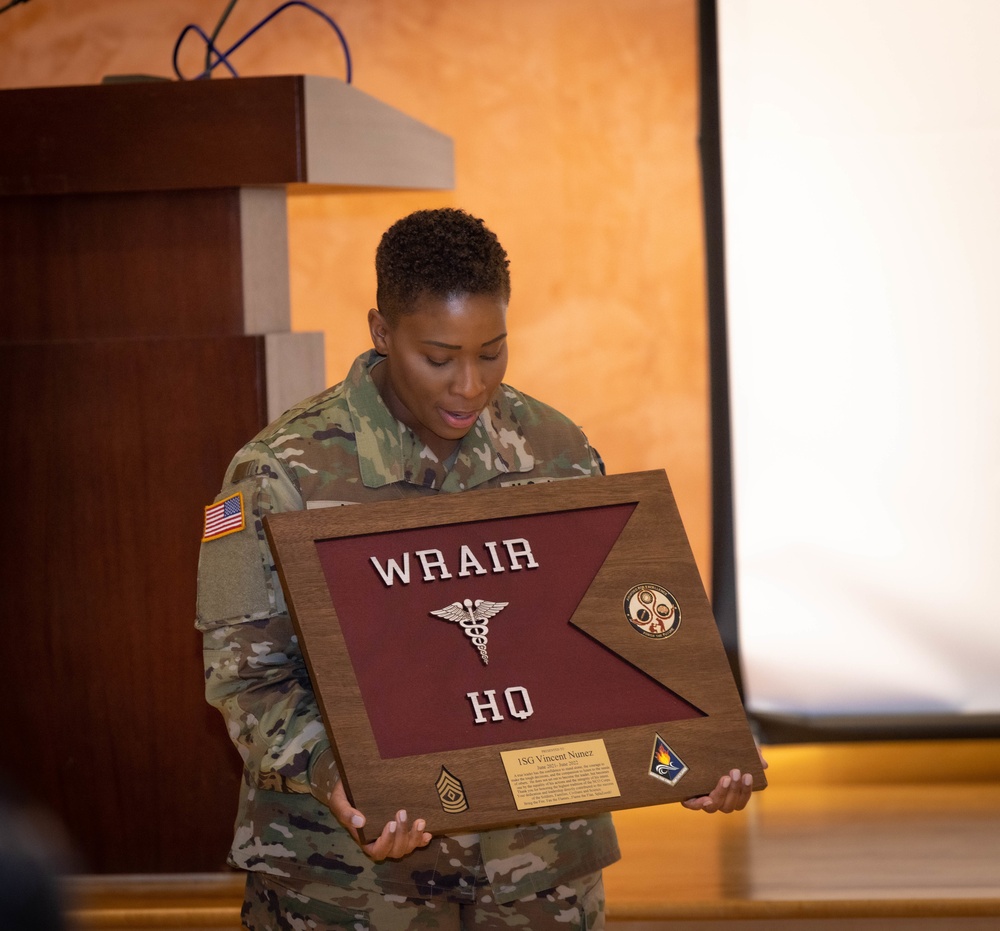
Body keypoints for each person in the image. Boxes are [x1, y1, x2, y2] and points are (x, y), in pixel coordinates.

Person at [196, 208, 756, 930]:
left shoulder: (557, 449)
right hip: (349, 886)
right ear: (381, 330)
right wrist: (341, 774)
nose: (470, 384)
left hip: (537, 879)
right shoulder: (271, 474)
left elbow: (607, 640)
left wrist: (692, 747)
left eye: (492, 352)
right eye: (439, 356)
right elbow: (243, 680)